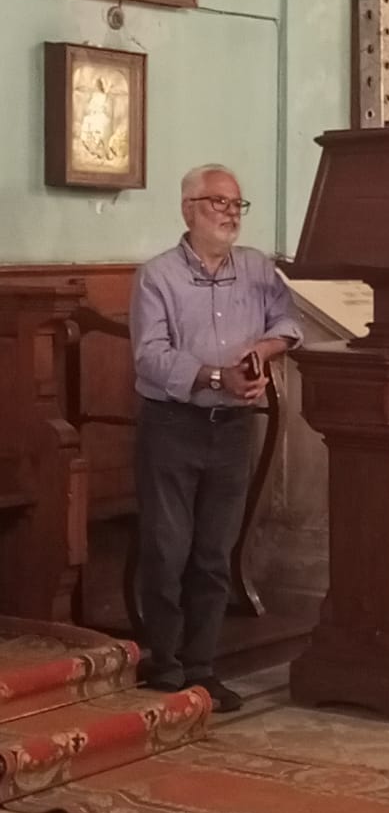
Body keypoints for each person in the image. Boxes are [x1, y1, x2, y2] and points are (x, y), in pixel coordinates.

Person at [130, 165, 301, 711]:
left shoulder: (256, 268)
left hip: (232, 429)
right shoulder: (157, 276)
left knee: (213, 554)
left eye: (236, 204)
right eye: (217, 202)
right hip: (172, 426)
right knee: (167, 549)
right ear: (188, 209)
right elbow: (149, 356)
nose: (230, 213)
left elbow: (288, 323)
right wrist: (213, 376)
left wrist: (261, 353)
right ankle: (166, 664)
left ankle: (203, 668)